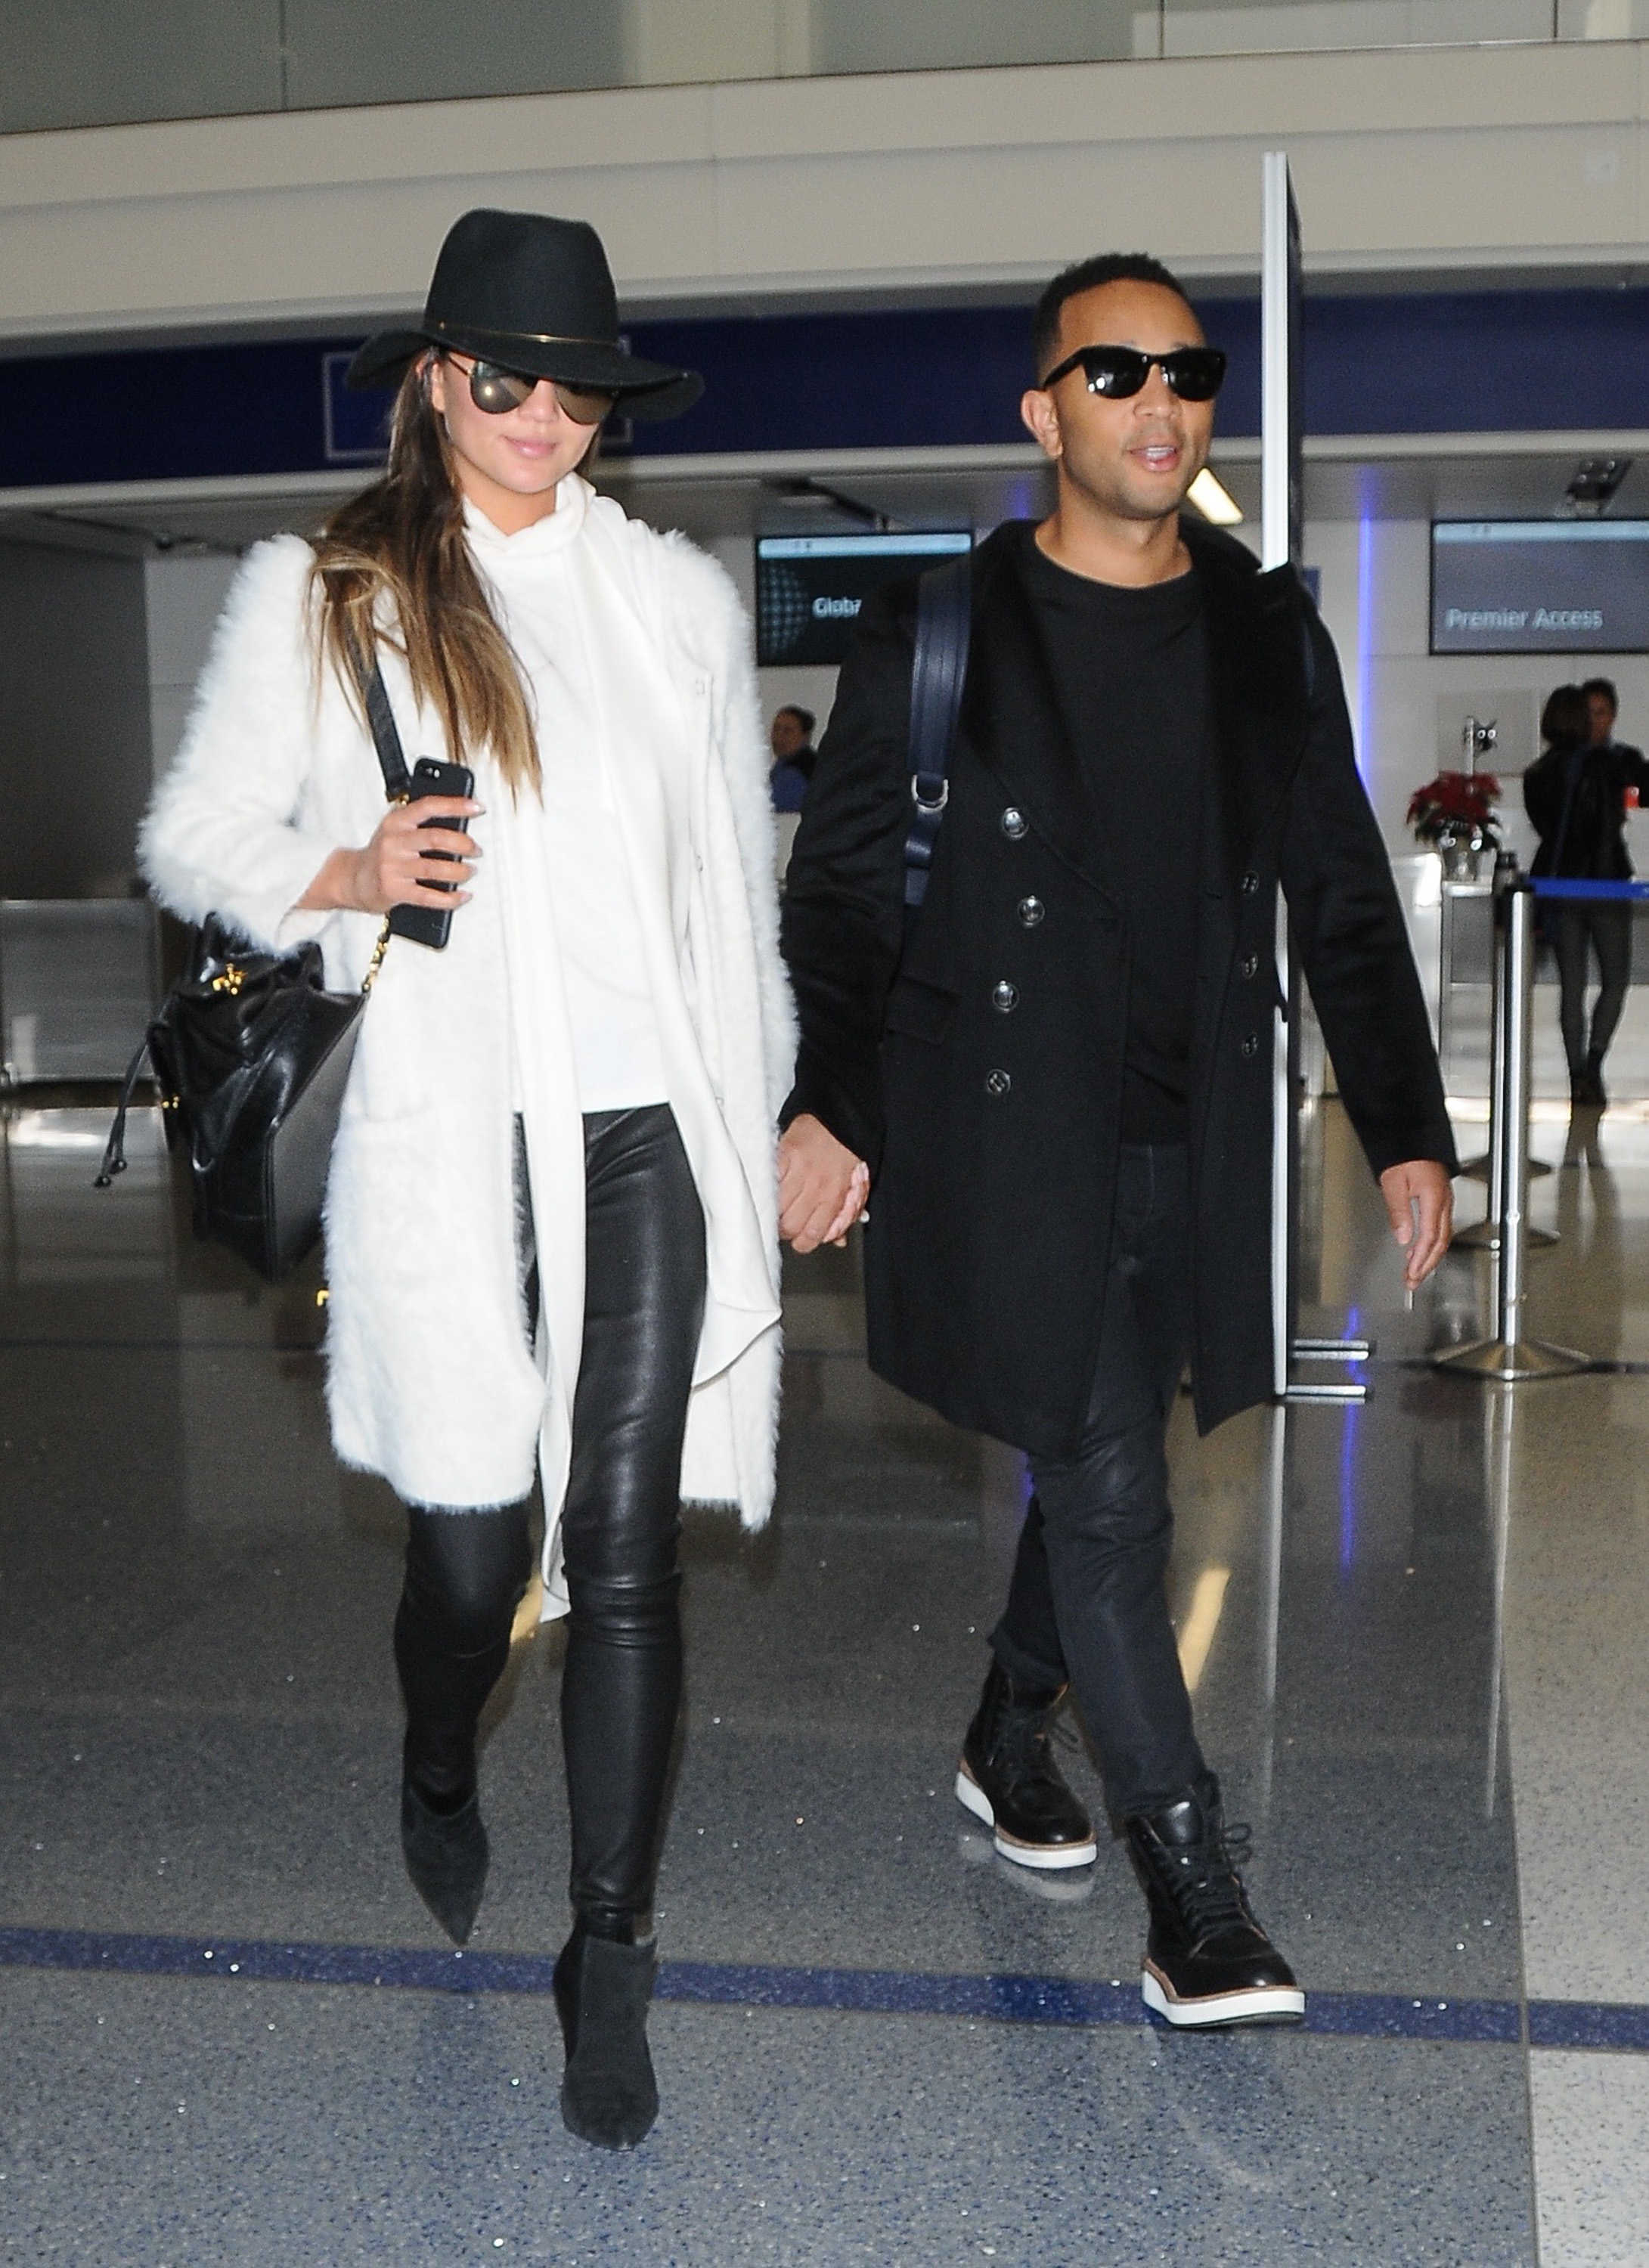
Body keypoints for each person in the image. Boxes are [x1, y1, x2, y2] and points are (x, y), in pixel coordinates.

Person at [139, 209, 792, 2149]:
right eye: (500, 373)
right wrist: (344, 876)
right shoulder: (330, 591)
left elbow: (729, 909)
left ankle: (610, 1952)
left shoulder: (677, 600)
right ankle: (440, 1747)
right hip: (448, 1133)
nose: (540, 413)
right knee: (472, 1550)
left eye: (574, 382)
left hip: (642, 1128)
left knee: (624, 1549)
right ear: (435, 377)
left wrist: (762, 1135)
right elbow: (195, 833)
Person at [776, 251, 1455, 2030]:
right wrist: (825, 1094)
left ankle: (1009, 1725)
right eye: (1114, 371)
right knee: (1105, 1480)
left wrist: (1400, 1115)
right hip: (1006, 1134)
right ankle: (1190, 1889)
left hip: (1196, 1140)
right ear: (1042, 412)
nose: (1158, 401)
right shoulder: (932, 632)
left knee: (1112, 1457)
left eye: (1184, 370)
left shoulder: (1258, 630)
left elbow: (1338, 888)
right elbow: (841, 896)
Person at [1526, 679, 1649, 1105]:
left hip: (1569, 885)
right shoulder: (1610, 765)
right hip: (1602, 882)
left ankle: (1582, 1069)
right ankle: (1589, 1067)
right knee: (1603, 982)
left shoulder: (1542, 773)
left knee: (1581, 985)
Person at [769, 703, 818, 813]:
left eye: (788, 731)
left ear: (805, 737)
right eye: (776, 729)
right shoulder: (783, 764)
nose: (779, 736)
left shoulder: (799, 772)